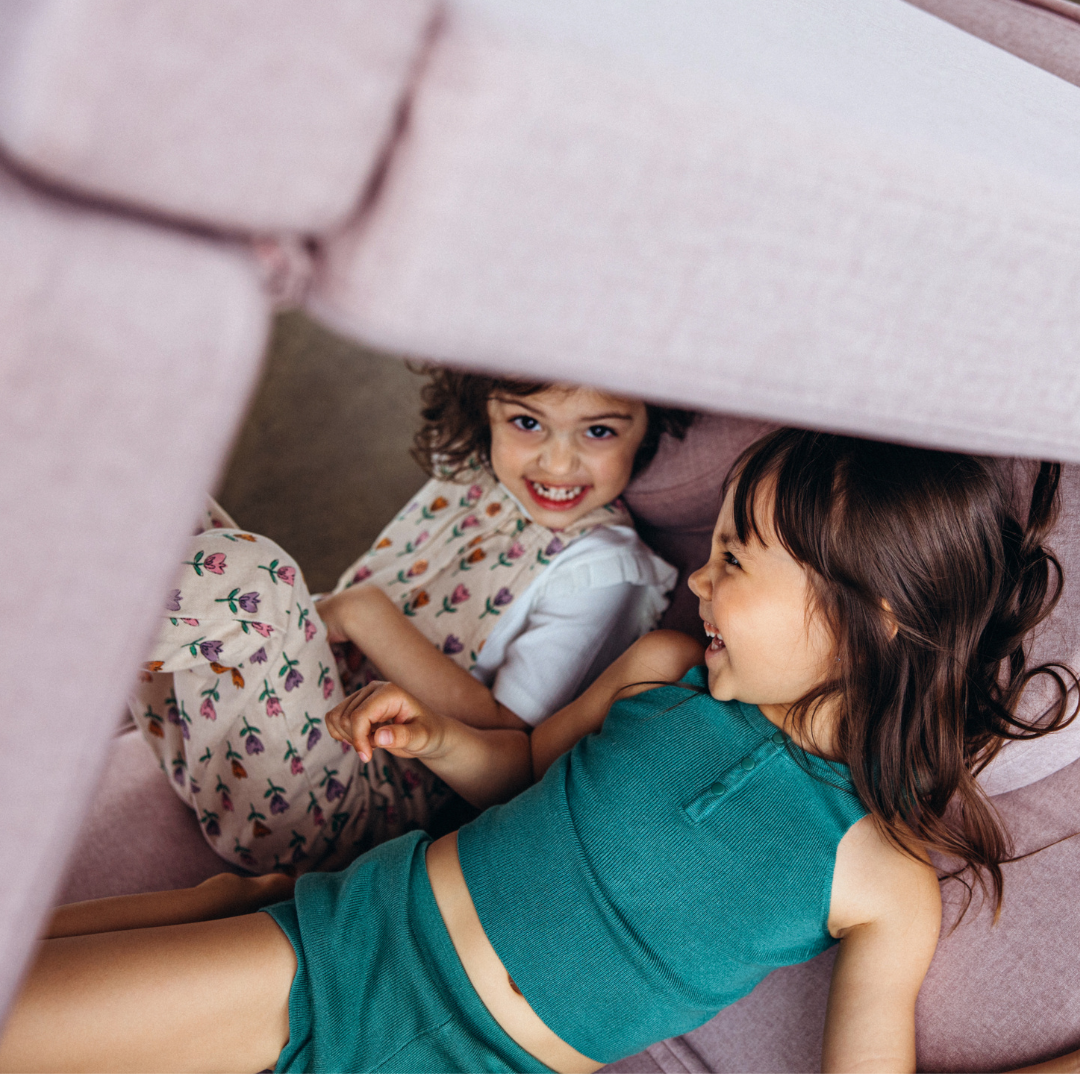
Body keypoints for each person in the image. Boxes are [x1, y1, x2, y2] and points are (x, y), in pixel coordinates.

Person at [4, 429, 1078, 1074]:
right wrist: (438, 738)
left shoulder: (882, 877)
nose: (699, 581)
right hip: (347, 915)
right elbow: (527, 776)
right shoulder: (663, 670)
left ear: (870, 617)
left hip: (417, 1026)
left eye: (735, 560)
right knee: (153, 926)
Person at [130, 369, 692, 873]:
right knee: (156, 482)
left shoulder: (600, 571)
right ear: (486, 410)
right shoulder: (477, 477)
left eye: (599, 432)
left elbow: (513, 743)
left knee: (257, 579)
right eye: (527, 423)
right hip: (210, 733)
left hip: (342, 802)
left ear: (647, 427)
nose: (558, 463)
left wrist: (364, 613)